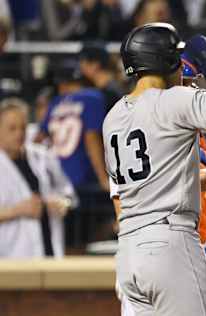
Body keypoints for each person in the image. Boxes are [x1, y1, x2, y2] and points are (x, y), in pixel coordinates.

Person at [103, 23, 206, 315]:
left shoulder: (114, 116)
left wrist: (195, 176)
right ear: (164, 61)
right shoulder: (171, 101)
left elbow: (146, 173)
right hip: (170, 244)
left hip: (130, 253)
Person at [0, 98, 77, 258]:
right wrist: (17, 210)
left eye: (23, 127)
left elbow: (69, 195)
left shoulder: (42, 156)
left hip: (50, 250)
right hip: (11, 255)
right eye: (12, 128)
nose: (19, 133)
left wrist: (62, 203)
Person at [36, 60, 109, 191]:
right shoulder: (92, 97)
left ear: (61, 84)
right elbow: (91, 137)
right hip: (84, 177)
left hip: (56, 177)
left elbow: (39, 139)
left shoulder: (56, 103)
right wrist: (103, 178)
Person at [79, 42, 124, 113]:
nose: (81, 66)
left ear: (95, 65)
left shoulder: (113, 91)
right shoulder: (98, 87)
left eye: (83, 61)